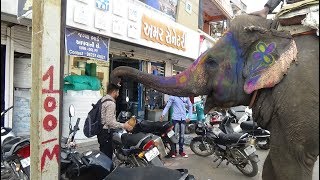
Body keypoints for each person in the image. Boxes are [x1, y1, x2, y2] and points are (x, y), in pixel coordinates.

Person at [97, 83, 133, 159]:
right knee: (107, 157)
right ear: (114, 92)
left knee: (103, 154)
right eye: (118, 92)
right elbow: (109, 122)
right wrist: (124, 125)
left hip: (101, 131)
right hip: (106, 133)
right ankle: (107, 171)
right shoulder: (110, 103)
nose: (118, 94)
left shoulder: (103, 99)